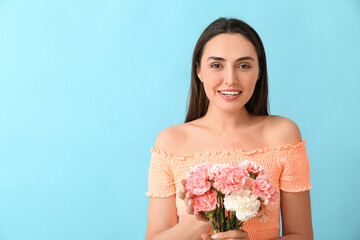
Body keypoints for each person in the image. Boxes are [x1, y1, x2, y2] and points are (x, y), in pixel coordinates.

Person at [145, 17, 313, 240]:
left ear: (259, 71)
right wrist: (200, 217)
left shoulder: (283, 135)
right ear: (198, 71)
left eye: (243, 66)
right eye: (216, 65)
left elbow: (302, 235)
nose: (231, 79)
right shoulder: (170, 143)